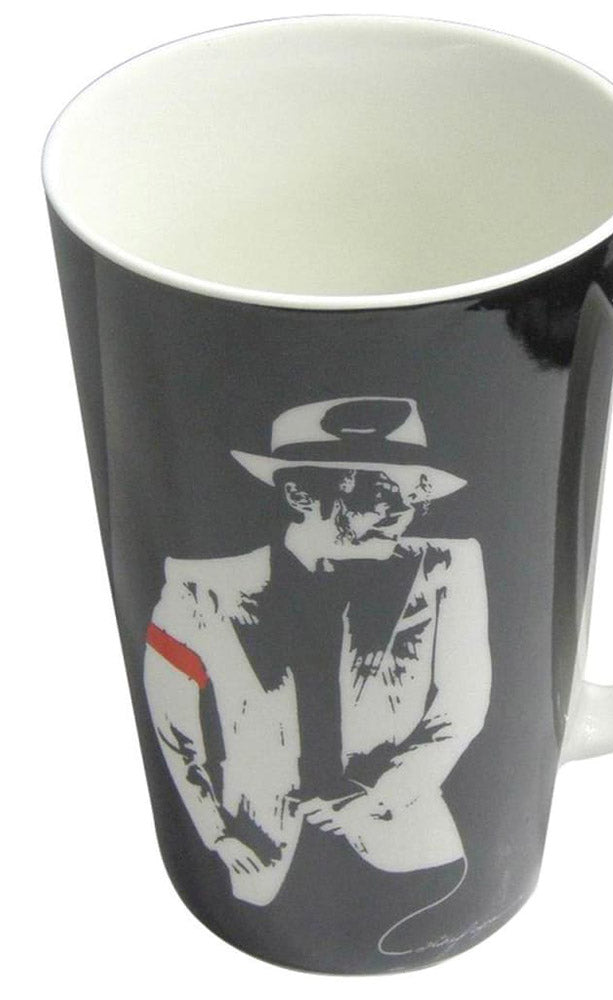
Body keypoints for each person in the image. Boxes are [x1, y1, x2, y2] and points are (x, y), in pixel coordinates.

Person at [142, 397, 491, 944]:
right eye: (380, 493)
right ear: (301, 495)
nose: (402, 513)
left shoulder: (448, 566)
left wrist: (378, 796)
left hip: (415, 866)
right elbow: (171, 725)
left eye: (412, 496)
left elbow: (461, 708)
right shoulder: (201, 590)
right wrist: (215, 832)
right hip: (263, 867)